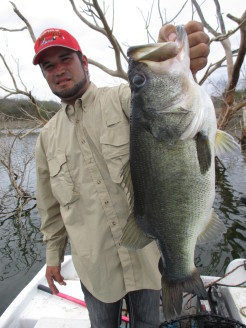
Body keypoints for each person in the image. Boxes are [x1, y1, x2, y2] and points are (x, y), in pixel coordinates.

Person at [34, 22, 209, 328]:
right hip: (94, 269)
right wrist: (53, 257)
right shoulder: (46, 139)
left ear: (83, 62)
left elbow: (157, 99)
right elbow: (50, 209)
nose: (58, 70)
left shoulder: (121, 99)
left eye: (65, 60)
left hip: (146, 262)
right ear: (45, 75)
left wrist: (168, 58)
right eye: (49, 66)